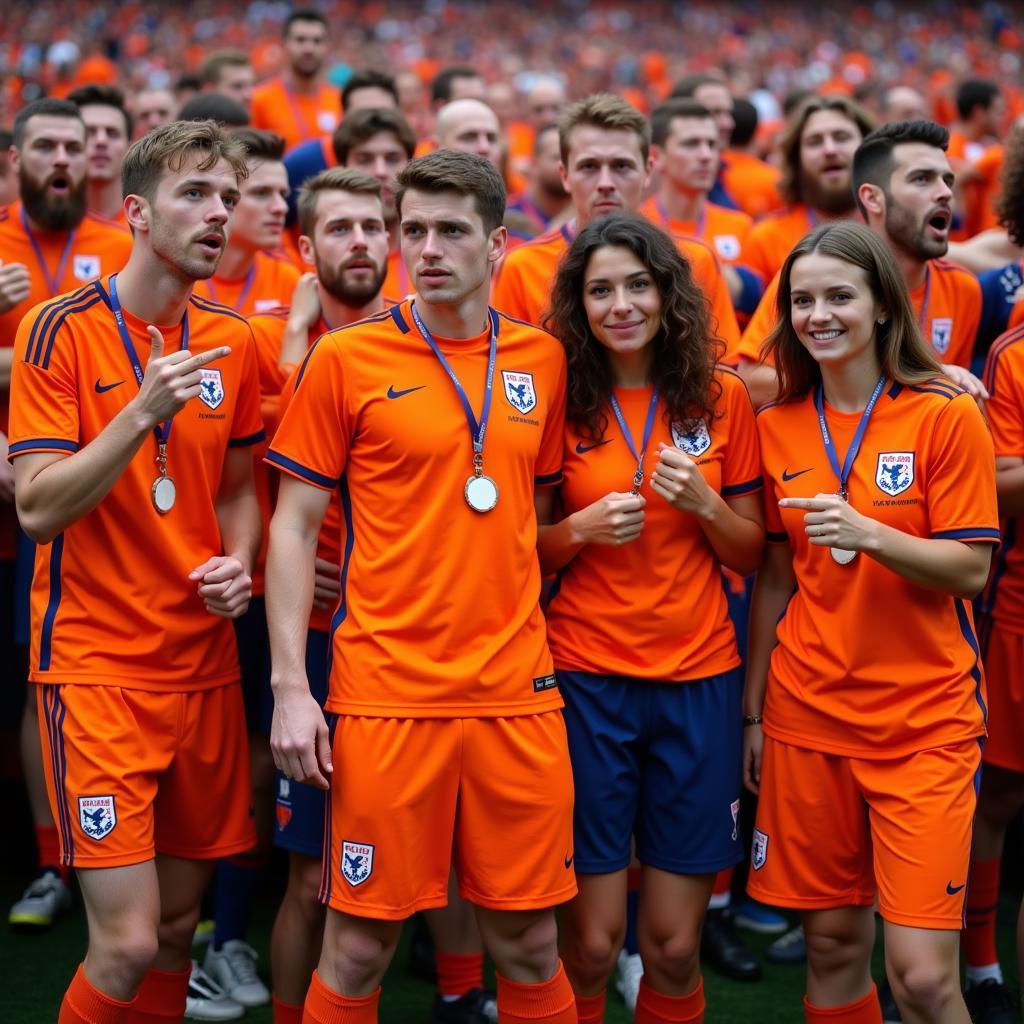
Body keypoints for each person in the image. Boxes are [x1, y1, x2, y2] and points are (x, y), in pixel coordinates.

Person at [265, 149, 577, 1024]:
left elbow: (526, 514)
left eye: (451, 231)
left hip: (517, 695)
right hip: (385, 695)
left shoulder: (542, 360)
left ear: (498, 244)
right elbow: (292, 527)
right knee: (359, 946)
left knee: (528, 943)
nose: (427, 248)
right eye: (414, 231)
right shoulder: (347, 359)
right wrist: (293, 686)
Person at [8, 117, 265, 1022]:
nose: (218, 214)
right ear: (136, 213)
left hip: (202, 666)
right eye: (194, 194)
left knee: (174, 927)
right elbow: (36, 504)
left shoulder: (236, 340)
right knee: (121, 943)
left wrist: (240, 560)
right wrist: (137, 415)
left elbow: (239, 486)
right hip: (96, 669)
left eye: (227, 198)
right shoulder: (58, 331)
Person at [744, 221, 999, 1024]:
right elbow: (779, 578)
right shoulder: (777, 424)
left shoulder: (943, 414)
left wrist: (871, 534)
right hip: (807, 718)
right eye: (803, 300)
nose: (819, 314)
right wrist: (754, 712)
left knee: (922, 979)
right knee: (831, 950)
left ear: (885, 306)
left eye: (839, 296)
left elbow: (971, 568)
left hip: (923, 723)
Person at [539, 211, 763, 1024]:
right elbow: (518, 553)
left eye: (638, 284)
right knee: (592, 947)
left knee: (671, 947)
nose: (621, 303)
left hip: (698, 683)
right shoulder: (558, 398)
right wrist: (575, 532)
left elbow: (750, 555)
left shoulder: (720, 395)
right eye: (600, 289)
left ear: (670, 294)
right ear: (578, 303)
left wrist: (705, 504)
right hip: (585, 685)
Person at [2, 97, 133, 933]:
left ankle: (72, 862)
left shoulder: (121, 250)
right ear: (14, 155)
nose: (61, 159)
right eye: (44, 144)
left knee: (43, 678)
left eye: (74, 147)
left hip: (86, 509)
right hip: (20, 502)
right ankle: (50, 857)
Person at [739, 120, 984, 409]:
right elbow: (750, 383)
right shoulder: (812, 275)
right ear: (872, 198)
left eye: (948, 180)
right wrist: (906, 380)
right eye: (922, 179)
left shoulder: (963, 288)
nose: (944, 192)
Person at [493, 94, 740, 359]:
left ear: (648, 171)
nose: (606, 182)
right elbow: (511, 373)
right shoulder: (523, 267)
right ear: (565, 176)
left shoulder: (694, 260)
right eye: (589, 167)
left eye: (621, 166)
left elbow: (722, 370)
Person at [739, 96, 874, 287]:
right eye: (814, 141)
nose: (830, 149)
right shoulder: (766, 238)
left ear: (869, 148)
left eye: (841, 137)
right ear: (796, 159)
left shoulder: (894, 233)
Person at [642, 99, 758, 311]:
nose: (706, 155)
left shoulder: (740, 224)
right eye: (691, 144)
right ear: (657, 157)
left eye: (712, 145)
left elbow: (759, 299)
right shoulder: (638, 225)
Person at [195, 129, 297, 315]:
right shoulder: (180, 275)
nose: (281, 207)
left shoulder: (286, 279)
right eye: (262, 193)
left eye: (282, 194)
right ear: (225, 198)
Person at [250, 9, 341, 153]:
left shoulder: (339, 100)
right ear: (284, 44)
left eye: (317, 41)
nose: (309, 48)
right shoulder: (259, 99)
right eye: (300, 40)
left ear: (327, 46)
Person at [67, 84, 133, 224]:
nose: (101, 141)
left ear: (130, 147)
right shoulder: (48, 227)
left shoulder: (150, 226)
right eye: (89, 132)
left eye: (112, 133)